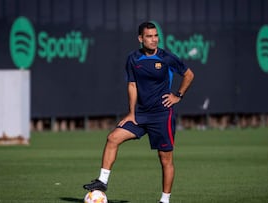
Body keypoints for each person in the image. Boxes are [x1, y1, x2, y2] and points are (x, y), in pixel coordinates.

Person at [83, 21, 194, 203]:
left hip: (161, 115)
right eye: (149, 36)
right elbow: (132, 85)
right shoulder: (133, 58)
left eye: (155, 35)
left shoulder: (166, 58)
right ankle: (102, 181)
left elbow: (189, 74)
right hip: (140, 115)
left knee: (165, 159)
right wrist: (131, 113)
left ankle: (164, 200)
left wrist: (178, 95)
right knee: (113, 138)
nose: (153, 39)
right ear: (140, 39)